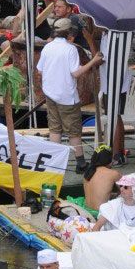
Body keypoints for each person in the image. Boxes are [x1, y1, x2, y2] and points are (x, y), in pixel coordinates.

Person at [36, 19, 89, 177]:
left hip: (50, 93)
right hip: (66, 96)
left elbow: (40, 71)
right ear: (70, 33)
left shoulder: (48, 47)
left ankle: (54, 163)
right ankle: (81, 163)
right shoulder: (70, 49)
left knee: (55, 129)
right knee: (74, 132)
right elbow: (76, 73)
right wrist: (92, 62)